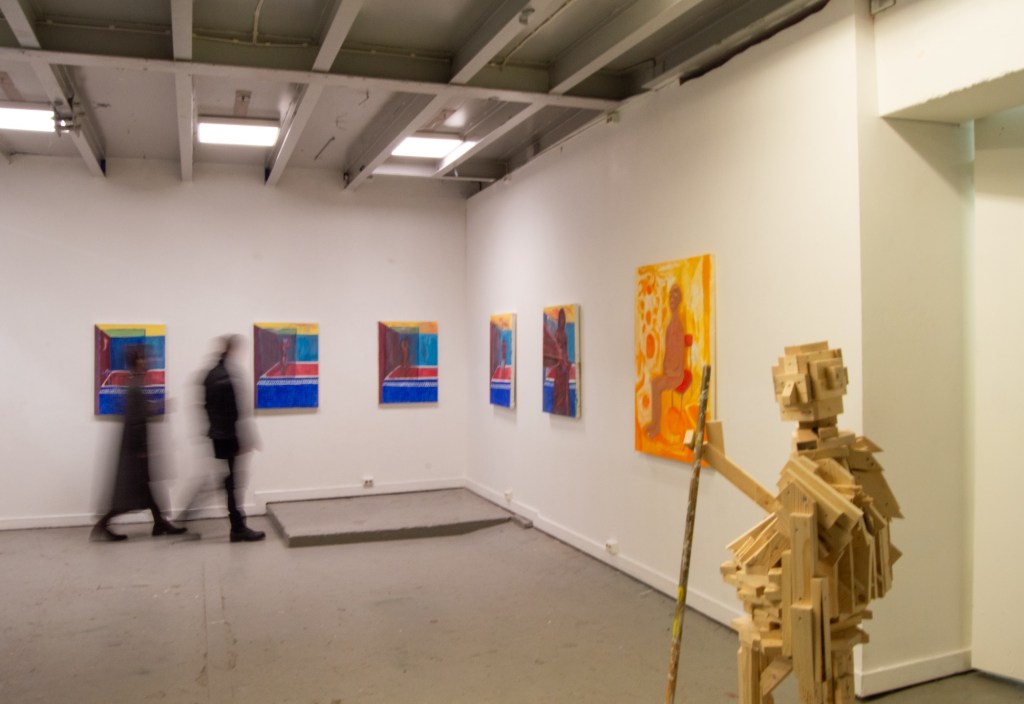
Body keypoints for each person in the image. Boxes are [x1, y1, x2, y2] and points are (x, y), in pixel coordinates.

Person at [92, 348, 186, 541]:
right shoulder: (135, 386)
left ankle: (159, 523)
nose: (147, 361)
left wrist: (158, 406)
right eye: (142, 358)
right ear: (136, 362)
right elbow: (135, 420)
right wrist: (141, 448)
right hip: (134, 450)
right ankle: (102, 525)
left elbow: (139, 413)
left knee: (145, 490)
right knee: (129, 494)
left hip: (134, 447)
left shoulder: (135, 383)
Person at [203, 335, 265, 542]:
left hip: (218, 435)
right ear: (231, 350)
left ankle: (237, 525)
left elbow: (206, 407)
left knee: (229, 481)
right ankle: (237, 528)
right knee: (233, 483)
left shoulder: (211, 374)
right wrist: (242, 440)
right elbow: (233, 412)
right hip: (228, 436)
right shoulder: (225, 376)